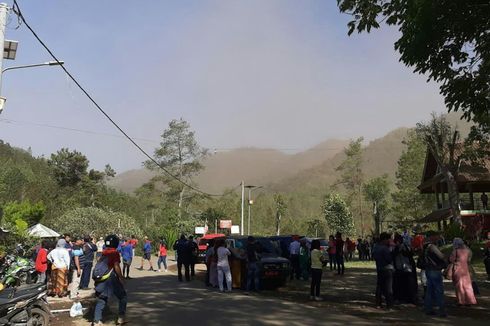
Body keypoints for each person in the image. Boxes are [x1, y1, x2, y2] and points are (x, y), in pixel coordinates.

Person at [93, 235, 127, 326]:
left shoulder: (104, 252)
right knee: (123, 296)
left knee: (102, 298)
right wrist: (121, 277)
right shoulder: (114, 253)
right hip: (111, 278)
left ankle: (97, 321)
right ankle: (121, 317)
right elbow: (116, 266)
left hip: (102, 278)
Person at [420, 231, 447, 317]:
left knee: (429, 290)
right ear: (432, 236)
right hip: (435, 270)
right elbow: (441, 256)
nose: (438, 237)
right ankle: (441, 310)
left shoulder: (424, 246)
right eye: (436, 236)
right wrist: (446, 256)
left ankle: (428, 309)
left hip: (428, 269)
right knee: (439, 290)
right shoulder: (432, 246)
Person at [449, 238, 477, 306]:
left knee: (459, 285)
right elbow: (469, 260)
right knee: (467, 285)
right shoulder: (467, 251)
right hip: (465, 269)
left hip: (457, 268)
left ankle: (461, 301)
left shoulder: (455, 251)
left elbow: (451, 260)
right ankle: (470, 300)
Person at [392, 233, 418, 305]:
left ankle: (410, 298)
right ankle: (401, 298)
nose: (398, 242)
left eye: (399, 240)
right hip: (399, 268)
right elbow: (393, 256)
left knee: (409, 284)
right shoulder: (394, 248)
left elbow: (410, 254)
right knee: (400, 284)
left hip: (407, 267)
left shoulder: (405, 246)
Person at [373, 233, 394, 309]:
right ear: (384, 239)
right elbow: (389, 259)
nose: (388, 241)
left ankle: (378, 303)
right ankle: (389, 304)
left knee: (379, 286)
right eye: (388, 239)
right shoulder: (385, 248)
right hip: (387, 269)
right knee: (388, 287)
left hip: (379, 268)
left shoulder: (376, 247)